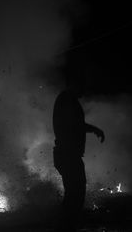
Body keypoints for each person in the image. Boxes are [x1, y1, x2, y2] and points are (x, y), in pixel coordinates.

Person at [52, 75, 105, 232]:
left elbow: (74, 124)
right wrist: (94, 129)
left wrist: (92, 129)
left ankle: (67, 226)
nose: (84, 91)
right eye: (82, 87)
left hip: (67, 154)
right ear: (74, 85)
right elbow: (74, 124)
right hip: (68, 155)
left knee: (74, 193)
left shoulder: (66, 99)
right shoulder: (67, 99)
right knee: (75, 194)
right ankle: (66, 227)